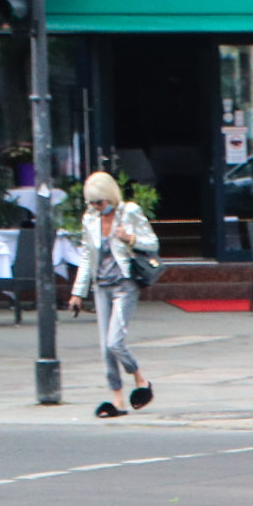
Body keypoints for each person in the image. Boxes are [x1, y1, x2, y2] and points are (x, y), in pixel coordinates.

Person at [66, 172, 157, 419]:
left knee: (114, 341)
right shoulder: (90, 219)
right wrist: (77, 292)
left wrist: (130, 238)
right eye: (92, 203)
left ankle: (140, 378)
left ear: (110, 196)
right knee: (105, 348)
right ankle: (117, 398)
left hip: (124, 283)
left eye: (100, 202)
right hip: (101, 286)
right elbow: (87, 256)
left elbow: (152, 243)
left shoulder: (130, 212)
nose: (96, 207)